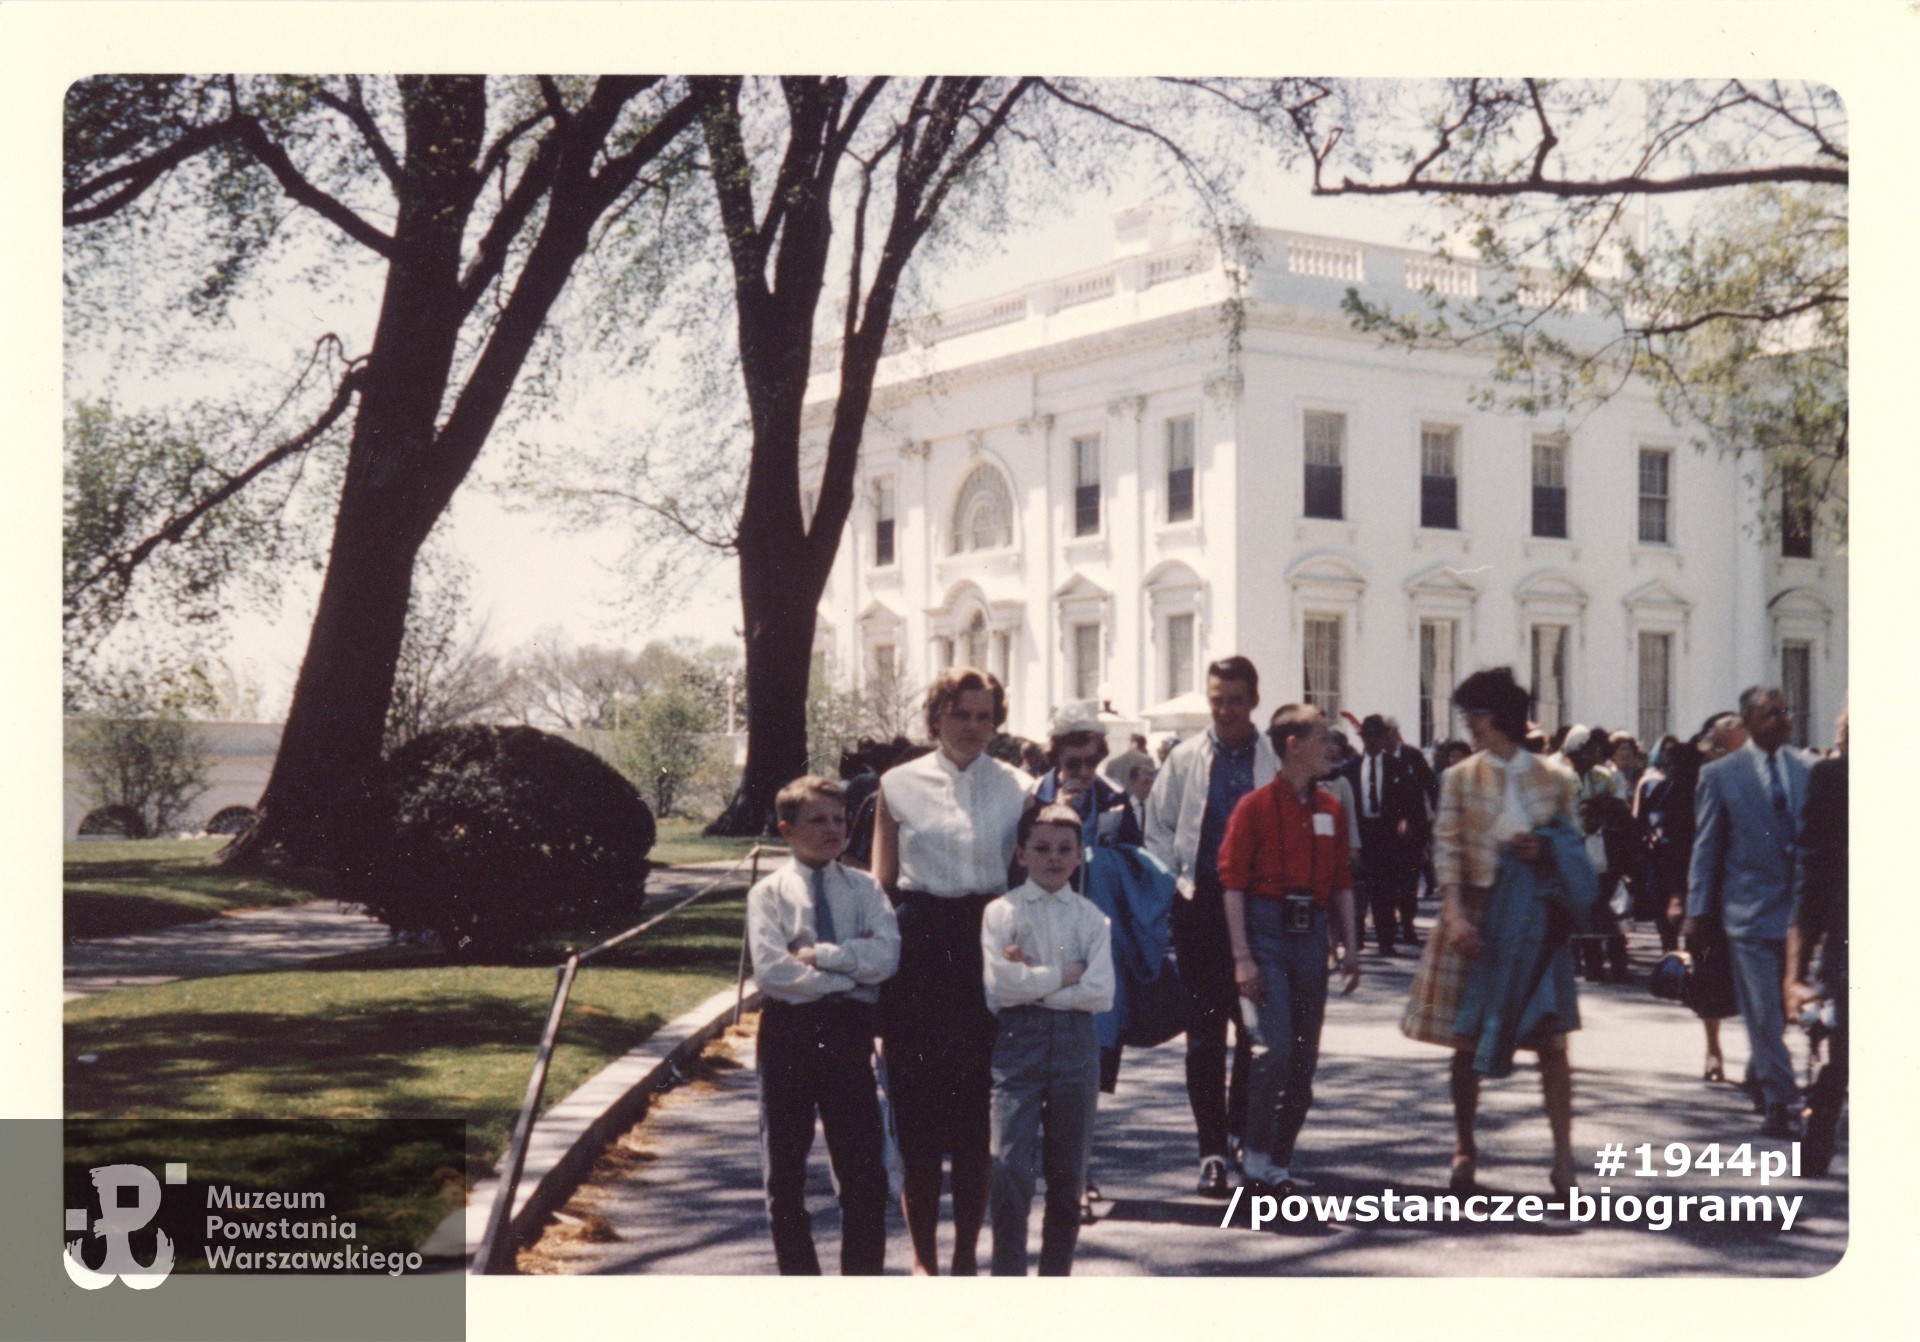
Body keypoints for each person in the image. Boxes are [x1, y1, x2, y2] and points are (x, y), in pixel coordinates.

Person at [872, 667, 1030, 1275]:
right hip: (917, 951)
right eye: (959, 714)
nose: (971, 727)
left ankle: (965, 1256)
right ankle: (923, 1260)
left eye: (983, 716)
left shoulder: (1019, 785)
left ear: (997, 721)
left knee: (973, 1122)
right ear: (936, 715)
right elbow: (882, 885)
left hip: (985, 950)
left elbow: (1025, 880)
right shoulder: (897, 783)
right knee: (916, 1119)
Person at [1403, 667, 1584, 1197]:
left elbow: (1572, 844)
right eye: (1468, 716)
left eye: (1476, 715)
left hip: (1537, 920)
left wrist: (1544, 849)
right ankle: (1464, 1147)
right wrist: (1455, 914)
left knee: (1553, 1044)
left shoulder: (1556, 778)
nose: (1470, 726)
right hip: (1479, 917)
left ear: (1502, 715)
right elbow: (1447, 848)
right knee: (1466, 1042)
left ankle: (1563, 1158)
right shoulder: (1460, 777)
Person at [746, 775, 902, 1275]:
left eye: (839, 819)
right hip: (788, 1032)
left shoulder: (864, 887)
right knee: (785, 1171)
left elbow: (885, 957)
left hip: (847, 1036)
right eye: (818, 820)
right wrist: (847, 980)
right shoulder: (769, 894)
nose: (833, 829)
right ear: (787, 830)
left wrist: (824, 957)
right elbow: (774, 971)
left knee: (863, 1174)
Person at [1143, 656, 1276, 1198]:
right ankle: (1212, 1151)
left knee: (1254, 1034)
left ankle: (1245, 1137)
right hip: (1199, 909)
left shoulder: (1272, 759)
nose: (1225, 710)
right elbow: (1158, 828)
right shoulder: (1186, 759)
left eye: (1236, 700)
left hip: (1258, 910)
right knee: (1203, 1037)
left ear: (1254, 700)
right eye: (1217, 698)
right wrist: (1174, 887)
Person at [1220, 704, 1361, 1197]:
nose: (1332, 748)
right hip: (1265, 933)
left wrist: (1351, 945)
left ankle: (1279, 1160)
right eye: (1323, 738)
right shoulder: (1253, 807)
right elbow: (1232, 884)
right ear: (1293, 745)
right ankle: (1254, 1155)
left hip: (1311, 935)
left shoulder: (1331, 808)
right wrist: (1242, 957)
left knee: (1304, 1059)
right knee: (1272, 1049)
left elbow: (1342, 881)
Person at [981, 803, 1115, 1275]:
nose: (1053, 858)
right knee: (1009, 1167)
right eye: (1041, 848)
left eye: (1064, 849)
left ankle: (1056, 1275)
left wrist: (1034, 979)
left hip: (1077, 1047)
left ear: (1080, 855)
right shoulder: (1001, 913)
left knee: (1067, 1174)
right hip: (1018, 1043)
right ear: (1021, 854)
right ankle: (1008, 1275)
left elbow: (1099, 993)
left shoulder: (1092, 920)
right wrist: (1064, 976)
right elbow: (1002, 985)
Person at [1685, 686, 1817, 1139]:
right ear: (1746, 721)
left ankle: (1761, 1071)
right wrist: (1696, 909)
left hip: (1799, 913)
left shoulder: (1808, 769)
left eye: (1786, 712)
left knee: (1779, 1014)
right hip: (1747, 911)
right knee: (1762, 1009)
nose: (1781, 720)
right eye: (1769, 714)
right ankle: (1782, 1100)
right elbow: (1707, 846)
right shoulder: (1722, 775)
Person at [1786, 707, 1847, 1175]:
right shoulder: (1834, 777)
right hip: (1855, 936)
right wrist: (1796, 970)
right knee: (1850, 1047)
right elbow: (1814, 877)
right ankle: (1822, 1113)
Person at [1346, 714, 1426, 956]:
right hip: (1360, 833)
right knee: (1358, 889)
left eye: (1376, 736)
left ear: (1383, 738)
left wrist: (1405, 820)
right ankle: (1357, 937)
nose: (1372, 741)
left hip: (1386, 833)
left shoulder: (1397, 766)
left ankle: (1386, 940)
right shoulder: (1351, 768)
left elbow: (1410, 799)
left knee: (1385, 890)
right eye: (1367, 736)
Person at [1562, 724, 1631, 982]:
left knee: (1610, 906)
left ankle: (1618, 963)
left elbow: (1620, 808)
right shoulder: (1562, 778)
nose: (1596, 753)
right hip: (1575, 849)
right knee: (1581, 907)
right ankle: (1588, 963)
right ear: (1577, 752)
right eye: (1589, 749)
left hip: (1603, 848)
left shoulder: (1605, 777)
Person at [1031, 716, 1143, 848]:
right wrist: (1058, 811)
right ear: (1057, 761)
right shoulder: (1035, 795)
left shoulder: (1115, 795)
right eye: (1073, 764)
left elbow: (1133, 851)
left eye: (1091, 762)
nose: (1083, 772)